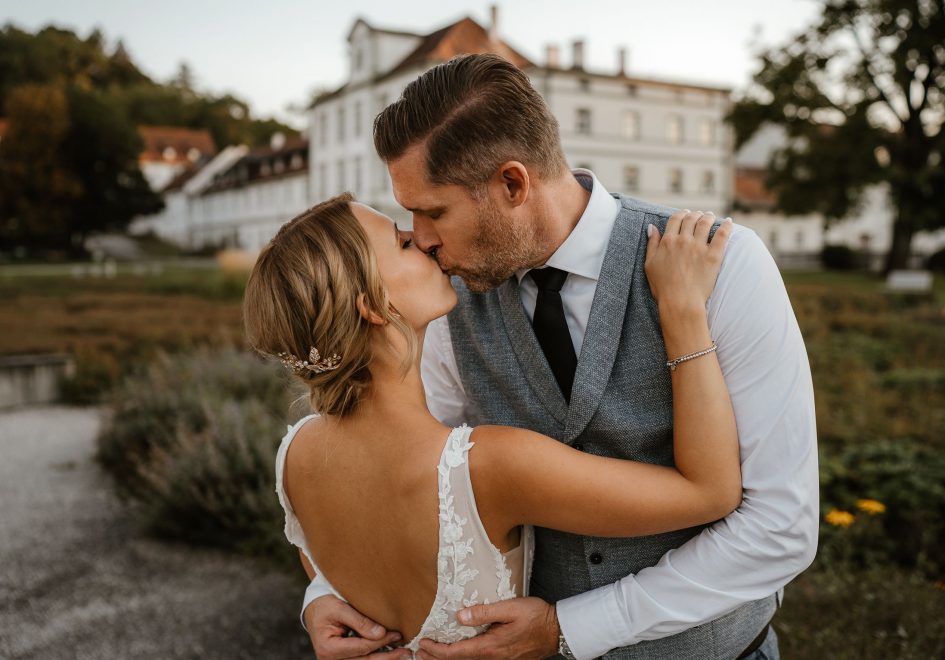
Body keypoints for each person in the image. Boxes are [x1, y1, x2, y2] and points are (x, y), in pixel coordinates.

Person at [299, 54, 818, 660]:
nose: (421, 237)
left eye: (433, 211)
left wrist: (572, 628)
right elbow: (405, 478)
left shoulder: (723, 263)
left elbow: (781, 528)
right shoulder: (444, 300)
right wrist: (325, 590)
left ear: (513, 184)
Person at [244, 192, 740, 658]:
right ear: (374, 307)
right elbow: (709, 491)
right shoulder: (490, 466)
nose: (421, 239)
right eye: (399, 242)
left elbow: (325, 575)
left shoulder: (296, 455)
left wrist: (316, 602)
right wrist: (681, 309)